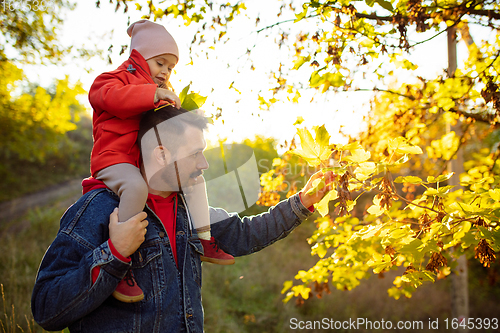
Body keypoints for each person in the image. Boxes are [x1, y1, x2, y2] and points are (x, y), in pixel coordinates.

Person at [31, 105, 335, 333]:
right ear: (162, 155)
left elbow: (245, 233)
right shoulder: (98, 208)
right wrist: (114, 253)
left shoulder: (190, 210)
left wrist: (303, 202)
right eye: (195, 153)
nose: (203, 164)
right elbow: (46, 308)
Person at [88, 19, 233, 303]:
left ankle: (203, 238)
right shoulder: (113, 80)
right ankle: (118, 261)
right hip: (114, 158)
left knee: (195, 179)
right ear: (140, 56)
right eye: (160, 63)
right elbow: (108, 97)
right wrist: (153, 94)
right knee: (136, 188)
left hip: (140, 159)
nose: (166, 72)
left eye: (171, 67)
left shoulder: (157, 90)